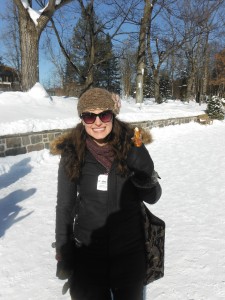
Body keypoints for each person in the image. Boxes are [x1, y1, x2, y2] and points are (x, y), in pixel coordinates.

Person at [51, 87, 162, 300]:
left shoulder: (132, 145)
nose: (98, 122)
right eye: (89, 116)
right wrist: (64, 249)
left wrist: (145, 173)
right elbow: (64, 206)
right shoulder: (72, 152)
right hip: (88, 253)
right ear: (82, 119)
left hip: (130, 252)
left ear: (113, 115)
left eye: (104, 114)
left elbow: (153, 197)